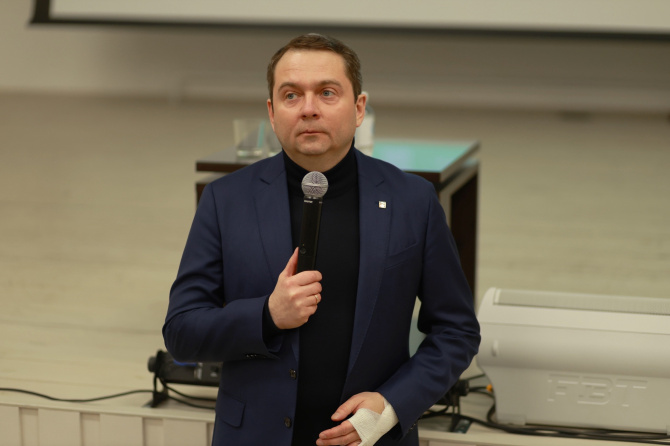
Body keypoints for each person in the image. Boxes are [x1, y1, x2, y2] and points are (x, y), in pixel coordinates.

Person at [163, 33, 480, 446]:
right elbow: (182, 331)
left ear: (359, 108)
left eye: (327, 93)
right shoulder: (226, 200)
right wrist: (267, 315)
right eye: (291, 95)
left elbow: (456, 331)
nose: (309, 109)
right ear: (272, 112)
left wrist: (392, 404)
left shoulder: (412, 201)